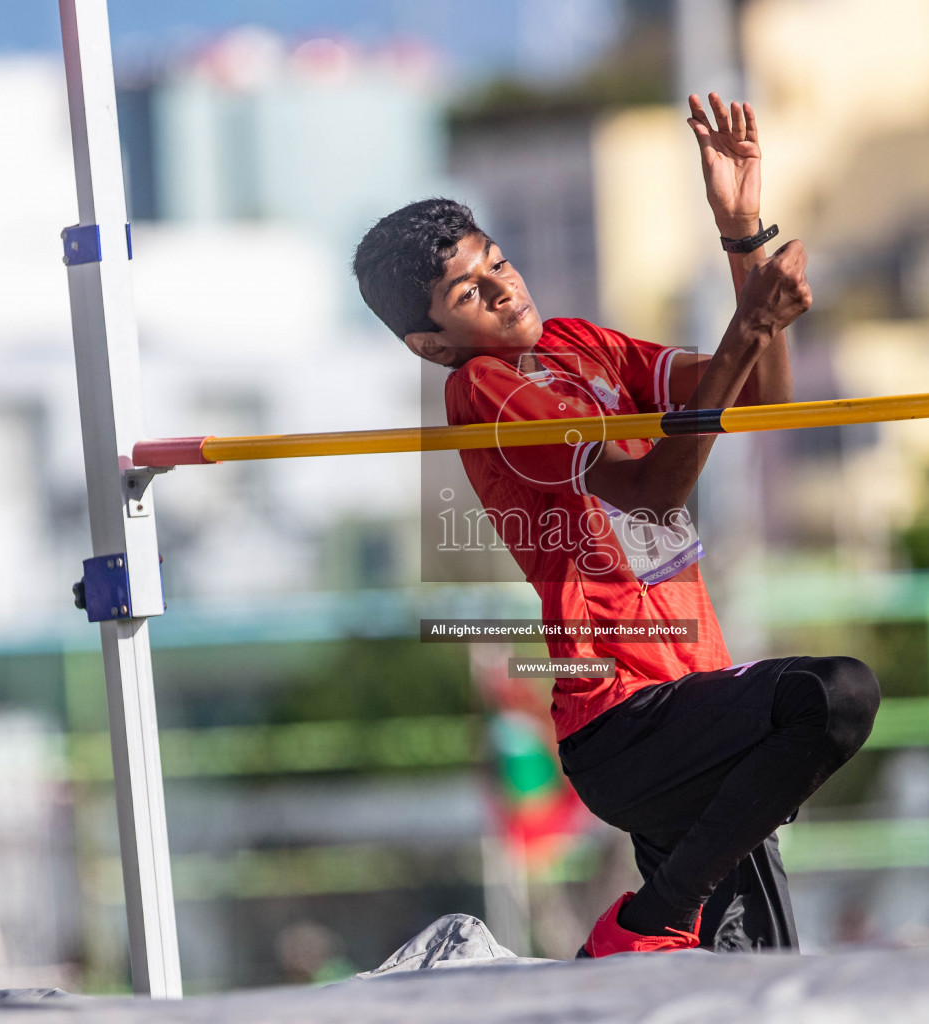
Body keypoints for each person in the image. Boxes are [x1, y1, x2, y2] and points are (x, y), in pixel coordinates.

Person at [352, 94, 880, 956]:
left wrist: (742, 234)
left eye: (498, 263)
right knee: (834, 695)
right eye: (469, 293)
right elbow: (650, 491)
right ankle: (650, 917)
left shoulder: (577, 344)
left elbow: (762, 402)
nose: (502, 287)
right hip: (626, 724)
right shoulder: (478, 390)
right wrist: (749, 323)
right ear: (432, 343)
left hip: (696, 700)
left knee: (757, 977)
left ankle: (653, 928)